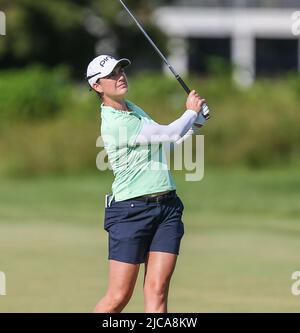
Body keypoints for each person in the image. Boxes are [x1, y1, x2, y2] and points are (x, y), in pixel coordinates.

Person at [86, 55, 207, 313]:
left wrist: (195, 123)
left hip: (167, 209)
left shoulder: (133, 109)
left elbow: (167, 143)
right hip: (130, 212)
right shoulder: (115, 122)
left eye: (120, 70)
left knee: (157, 291)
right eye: (111, 74)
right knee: (118, 297)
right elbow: (170, 132)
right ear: (97, 86)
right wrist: (190, 112)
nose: (120, 76)